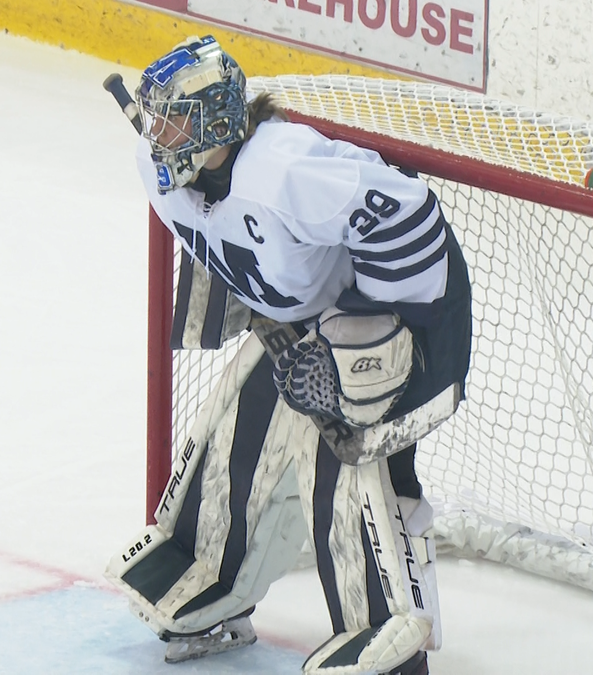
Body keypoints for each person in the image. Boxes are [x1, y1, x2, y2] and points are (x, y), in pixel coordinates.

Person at [103, 36, 471, 675]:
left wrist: (369, 348)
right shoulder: (157, 162)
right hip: (304, 318)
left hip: (409, 314)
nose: (158, 135)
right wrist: (263, 319)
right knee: (236, 426)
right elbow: (217, 237)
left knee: (348, 459)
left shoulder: (286, 169)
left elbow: (409, 217)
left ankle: (388, 635)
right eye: (155, 117)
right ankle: (212, 574)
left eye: (175, 119)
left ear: (220, 120)